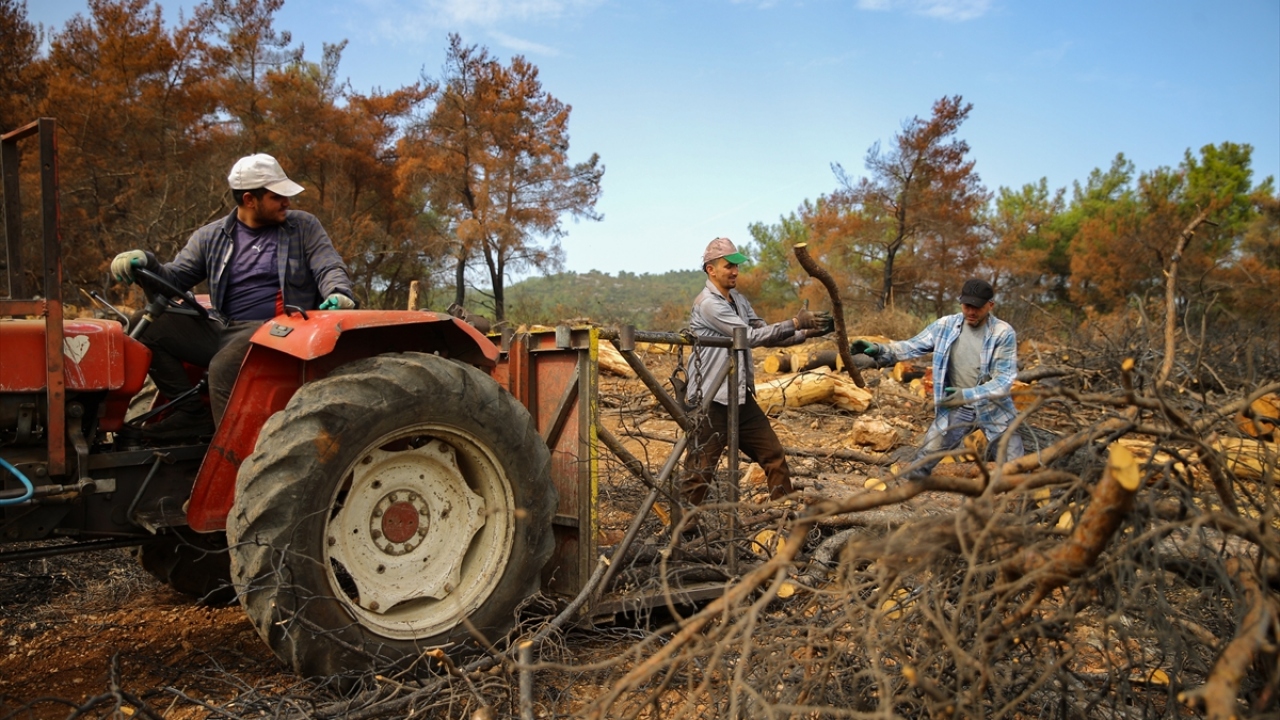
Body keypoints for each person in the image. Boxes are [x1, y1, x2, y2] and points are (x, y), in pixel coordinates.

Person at [111, 153, 357, 440]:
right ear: (250, 200)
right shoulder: (211, 236)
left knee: (223, 367)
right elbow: (174, 280)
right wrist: (146, 262)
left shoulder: (303, 227)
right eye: (278, 197)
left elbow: (328, 265)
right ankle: (191, 413)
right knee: (144, 325)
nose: (287, 203)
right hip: (225, 326)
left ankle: (233, 450)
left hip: (280, 329)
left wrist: (338, 292)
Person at [681, 237, 834, 510]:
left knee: (774, 456)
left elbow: (767, 334)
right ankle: (679, 533)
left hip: (739, 398)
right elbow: (748, 337)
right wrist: (795, 321)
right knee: (700, 473)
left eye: (737, 266)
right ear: (710, 269)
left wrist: (806, 332)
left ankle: (781, 519)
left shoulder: (738, 300)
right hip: (710, 400)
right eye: (729, 266)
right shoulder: (708, 304)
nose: (735, 272)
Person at [851, 278, 1024, 480]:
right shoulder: (946, 325)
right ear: (961, 303)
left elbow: (1003, 380)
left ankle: (1022, 502)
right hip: (956, 405)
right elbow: (911, 346)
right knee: (928, 452)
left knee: (1014, 463)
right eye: (967, 306)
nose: (971, 311)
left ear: (990, 305)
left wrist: (967, 394)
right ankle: (905, 492)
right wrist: (880, 349)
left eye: (977, 307)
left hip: (993, 407)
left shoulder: (1003, 333)